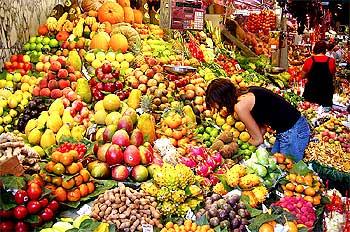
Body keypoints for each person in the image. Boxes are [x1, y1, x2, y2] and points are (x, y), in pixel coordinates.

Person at [205, 78, 310, 161]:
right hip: (291, 128)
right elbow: (263, 129)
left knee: (290, 172)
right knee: (277, 165)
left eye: (216, 103)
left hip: (293, 132)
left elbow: (258, 139)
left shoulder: (240, 106)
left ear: (222, 98)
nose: (218, 108)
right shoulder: (249, 91)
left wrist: (238, 148)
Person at [302, 40, 336, 108]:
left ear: (315, 49)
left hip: (311, 93)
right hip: (326, 94)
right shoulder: (331, 61)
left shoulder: (309, 60)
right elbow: (333, 75)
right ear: (325, 50)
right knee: (326, 115)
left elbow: (303, 76)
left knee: (310, 113)